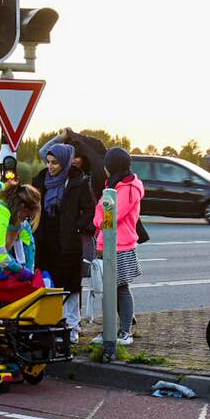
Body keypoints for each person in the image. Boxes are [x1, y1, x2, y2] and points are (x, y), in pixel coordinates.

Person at [33, 143, 95, 343]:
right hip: (44, 239)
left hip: (67, 241)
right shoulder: (41, 179)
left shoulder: (78, 182)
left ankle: (72, 326)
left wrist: (77, 226)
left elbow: (90, 209)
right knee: (49, 283)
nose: (51, 167)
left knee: (70, 284)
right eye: (49, 162)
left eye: (55, 163)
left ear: (65, 162)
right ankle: (51, 324)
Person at [92, 147, 144, 347]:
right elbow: (104, 211)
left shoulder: (128, 188)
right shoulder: (116, 185)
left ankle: (125, 331)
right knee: (112, 289)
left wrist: (98, 217)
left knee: (120, 289)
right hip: (110, 244)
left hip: (120, 245)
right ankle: (115, 327)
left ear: (111, 166)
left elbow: (110, 216)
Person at [39, 128, 107, 199]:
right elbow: (44, 152)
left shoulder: (90, 175)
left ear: (83, 158)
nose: (73, 161)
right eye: (71, 158)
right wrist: (61, 137)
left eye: (76, 157)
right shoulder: (63, 170)